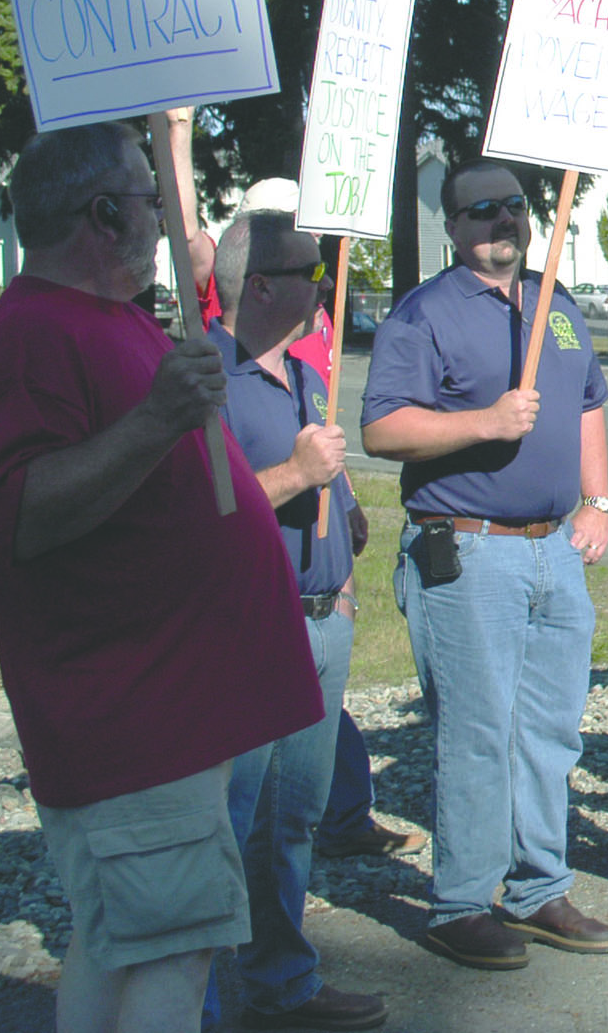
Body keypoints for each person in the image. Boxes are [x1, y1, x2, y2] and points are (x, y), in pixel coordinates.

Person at [0, 123, 321, 1033]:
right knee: (167, 949)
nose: (164, 222)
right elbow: (24, 514)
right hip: (132, 720)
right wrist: (159, 419)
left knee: (128, 946)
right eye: (151, 201)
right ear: (105, 213)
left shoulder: (108, 320)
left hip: (166, 717)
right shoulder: (29, 337)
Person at [359, 162, 608, 969]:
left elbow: (587, 404)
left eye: (515, 206)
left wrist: (597, 500)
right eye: (483, 211)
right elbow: (382, 429)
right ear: (454, 225)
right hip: (467, 550)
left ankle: (539, 889)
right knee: (477, 734)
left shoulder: (558, 304)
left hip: (554, 550)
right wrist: (485, 421)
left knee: (548, 730)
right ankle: (462, 902)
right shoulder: (425, 313)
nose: (504, 221)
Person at [203, 214, 385, 1031]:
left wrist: (342, 515)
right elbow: (203, 508)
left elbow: (325, 479)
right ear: (261, 286)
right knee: (227, 823)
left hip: (320, 625)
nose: (326, 285)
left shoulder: (306, 371)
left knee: (292, 819)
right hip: (247, 634)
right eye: (310, 272)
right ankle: (198, 1002)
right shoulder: (205, 374)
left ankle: (282, 980)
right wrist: (296, 473)